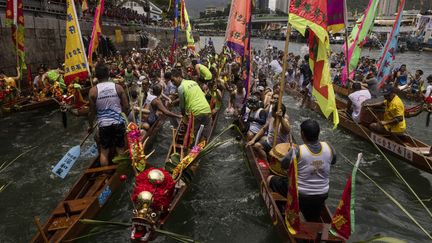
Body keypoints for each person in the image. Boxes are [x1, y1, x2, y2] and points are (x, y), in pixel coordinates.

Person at [268, 119, 336, 222]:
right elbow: (333, 161)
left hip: (300, 195)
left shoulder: (297, 150)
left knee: (270, 179)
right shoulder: (329, 147)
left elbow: (284, 165)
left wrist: (288, 154)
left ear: (302, 134)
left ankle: (283, 210)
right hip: (322, 195)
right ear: (318, 133)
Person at [88, 63, 129, 167]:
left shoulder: (93, 91)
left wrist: (90, 126)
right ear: (108, 73)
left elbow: (91, 112)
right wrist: (123, 117)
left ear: (96, 76)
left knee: (104, 151)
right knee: (120, 149)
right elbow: (126, 106)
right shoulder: (118, 87)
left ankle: (105, 174)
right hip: (118, 122)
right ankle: (122, 171)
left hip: (103, 125)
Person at [171, 69, 212, 140]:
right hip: (207, 109)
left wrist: (183, 115)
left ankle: (191, 147)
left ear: (178, 76)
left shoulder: (180, 88)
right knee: (205, 137)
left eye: (173, 80)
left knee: (193, 137)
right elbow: (202, 95)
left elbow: (182, 106)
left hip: (195, 113)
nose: (173, 83)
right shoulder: (193, 82)